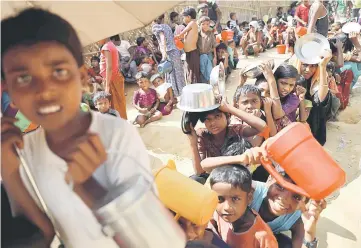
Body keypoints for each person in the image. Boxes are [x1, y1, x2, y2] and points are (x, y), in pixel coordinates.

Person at [1, 8, 153, 247]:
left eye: (59, 71)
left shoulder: (116, 137)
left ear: (82, 78)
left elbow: (151, 237)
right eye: (23, 78)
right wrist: (10, 175)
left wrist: (94, 191)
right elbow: (38, 234)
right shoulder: (21, 151)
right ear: (8, 93)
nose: (45, 91)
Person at [187, 99, 267, 180]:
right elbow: (200, 171)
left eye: (217, 116)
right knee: (195, 179)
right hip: (219, 177)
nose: (212, 123)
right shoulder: (203, 135)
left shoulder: (236, 130)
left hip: (240, 174)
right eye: (207, 119)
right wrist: (192, 143)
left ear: (228, 116)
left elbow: (262, 126)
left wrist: (229, 108)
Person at [208, 165, 278, 248]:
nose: (226, 207)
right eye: (220, 198)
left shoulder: (263, 237)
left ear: (249, 197)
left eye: (235, 199)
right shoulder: (217, 213)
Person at [294, 50, 332, 145]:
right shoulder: (290, 78)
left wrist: (322, 66)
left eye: (313, 66)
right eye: (304, 65)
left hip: (314, 124)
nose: (308, 69)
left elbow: (321, 98)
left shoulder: (319, 78)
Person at [153, 14, 185, 97]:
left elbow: (162, 38)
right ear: (163, 17)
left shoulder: (156, 27)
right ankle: (182, 92)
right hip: (175, 51)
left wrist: (163, 54)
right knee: (178, 72)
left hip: (169, 52)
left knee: (170, 73)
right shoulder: (166, 26)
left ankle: (174, 94)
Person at [100, 34, 128, 119]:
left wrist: (107, 85)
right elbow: (117, 63)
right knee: (119, 102)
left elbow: (109, 67)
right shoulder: (111, 45)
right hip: (115, 78)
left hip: (112, 80)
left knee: (115, 105)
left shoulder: (106, 47)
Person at [176, 7, 201, 84]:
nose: (183, 19)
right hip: (188, 53)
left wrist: (180, 35)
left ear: (189, 17)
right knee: (189, 72)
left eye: (184, 17)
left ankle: (196, 88)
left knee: (194, 73)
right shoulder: (190, 27)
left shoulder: (192, 23)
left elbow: (183, 32)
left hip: (193, 52)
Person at [197, 16, 218, 83]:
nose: (205, 26)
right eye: (203, 24)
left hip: (209, 56)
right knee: (203, 71)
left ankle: (210, 85)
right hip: (200, 56)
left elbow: (214, 46)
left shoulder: (210, 34)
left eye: (207, 24)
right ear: (200, 25)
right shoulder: (197, 34)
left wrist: (215, 57)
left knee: (209, 71)